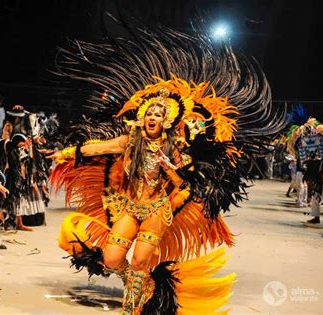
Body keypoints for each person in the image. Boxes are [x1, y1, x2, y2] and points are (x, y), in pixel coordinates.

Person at [46, 17, 284, 314]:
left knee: (141, 261)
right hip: (129, 206)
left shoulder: (176, 149)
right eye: (149, 112)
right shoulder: (128, 141)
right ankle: (141, 284)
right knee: (111, 258)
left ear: (167, 120)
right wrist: (66, 154)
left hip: (159, 210)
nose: (152, 117)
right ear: (143, 115)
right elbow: (97, 147)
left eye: (159, 114)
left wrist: (169, 166)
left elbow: (185, 184)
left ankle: (131, 307)